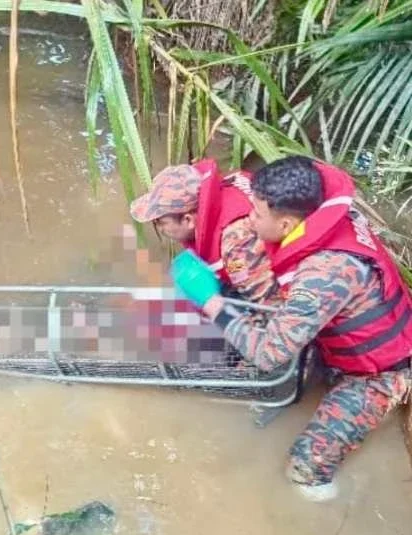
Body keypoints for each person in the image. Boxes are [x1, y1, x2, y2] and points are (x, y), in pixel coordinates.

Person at [170, 155, 412, 501]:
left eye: (256, 214)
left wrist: (213, 304)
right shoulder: (320, 221)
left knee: (304, 471)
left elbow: (271, 353)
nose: (248, 219)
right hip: (343, 346)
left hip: (379, 373)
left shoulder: (324, 273)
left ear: (285, 224)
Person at [132, 159, 278, 305]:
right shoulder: (222, 187)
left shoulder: (237, 248)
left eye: (160, 222)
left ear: (188, 220)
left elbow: (273, 308)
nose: (159, 228)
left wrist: (216, 310)